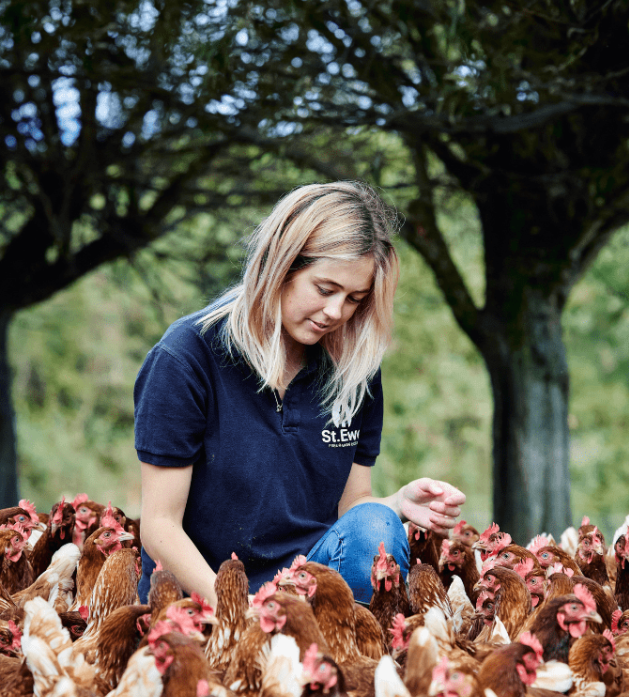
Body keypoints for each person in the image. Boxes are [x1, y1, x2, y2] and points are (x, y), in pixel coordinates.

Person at [134, 181, 465, 606]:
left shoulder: (354, 370)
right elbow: (160, 527)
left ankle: (345, 656)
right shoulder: (186, 357)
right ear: (281, 264)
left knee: (377, 522)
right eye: (325, 289)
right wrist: (239, 615)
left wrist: (398, 502)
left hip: (307, 589)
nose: (335, 312)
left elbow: (353, 507)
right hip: (204, 596)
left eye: (354, 299)